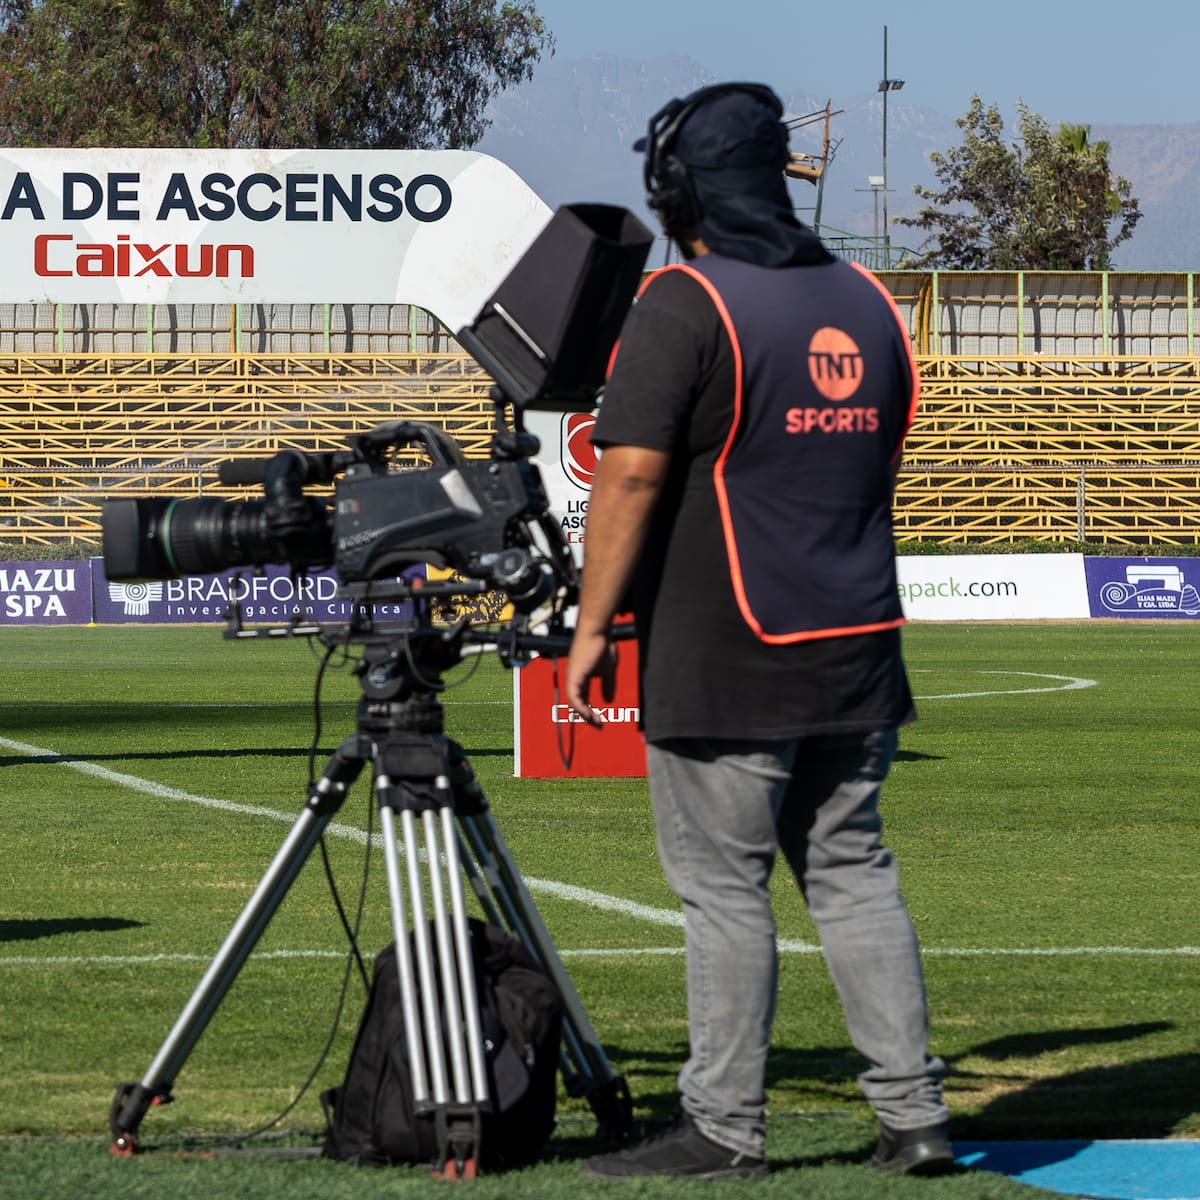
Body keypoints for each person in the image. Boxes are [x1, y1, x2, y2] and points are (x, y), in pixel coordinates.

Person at [564, 82, 952, 1181]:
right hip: (857, 638)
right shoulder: (869, 300)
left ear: (678, 190)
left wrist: (591, 626)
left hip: (727, 647)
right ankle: (916, 1117)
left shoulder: (685, 302)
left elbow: (629, 474)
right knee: (855, 875)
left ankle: (725, 1128)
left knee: (725, 891)